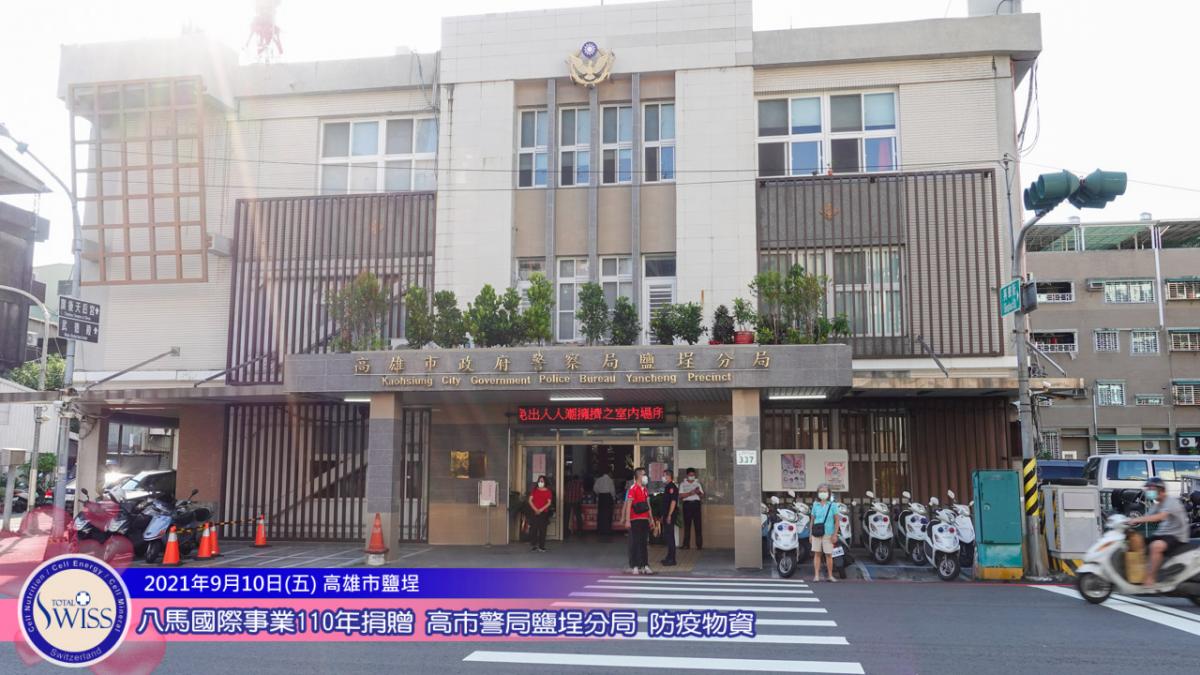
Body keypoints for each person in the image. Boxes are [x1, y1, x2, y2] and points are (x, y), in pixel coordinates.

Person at [1126, 476, 1190, 586]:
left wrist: (1137, 519)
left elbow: (1160, 517)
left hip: (1176, 535)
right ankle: (1138, 573)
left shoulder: (1171, 502)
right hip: (1164, 533)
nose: (1149, 492)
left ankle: (1150, 578)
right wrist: (1127, 521)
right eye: (1148, 489)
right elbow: (1147, 516)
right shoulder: (1158, 504)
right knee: (1137, 541)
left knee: (1156, 546)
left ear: (1160, 490)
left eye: (1151, 489)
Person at [623, 467, 653, 575]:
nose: (645, 477)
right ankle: (635, 566)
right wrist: (627, 520)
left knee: (644, 543)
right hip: (635, 519)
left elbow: (648, 506)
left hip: (644, 519)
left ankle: (645, 565)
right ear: (638, 476)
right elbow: (628, 505)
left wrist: (651, 519)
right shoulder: (633, 489)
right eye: (643, 474)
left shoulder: (645, 490)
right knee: (635, 542)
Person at [809, 483, 838, 582]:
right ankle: (816, 575)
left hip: (828, 533)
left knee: (828, 555)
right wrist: (810, 534)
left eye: (825, 491)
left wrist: (835, 534)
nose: (823, 493)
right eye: (821, 491)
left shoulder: (833, 505)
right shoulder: (815, 505)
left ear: (829, 493)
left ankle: (830, 576)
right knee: (817, 554)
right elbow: (812, 520)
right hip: (816, 533)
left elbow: (837, 521)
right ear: (818, 493)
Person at [679, 467, 704, 550]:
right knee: (687, 525)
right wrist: (690, 493)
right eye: (690, 475)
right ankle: (686, 545)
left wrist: (698, 492)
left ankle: (699, 545)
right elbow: (681, 496)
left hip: (696, 504)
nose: (692, 476)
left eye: (693, 475)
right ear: (687, 475)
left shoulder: (698, 484)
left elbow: (702, 495)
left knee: (698, 525)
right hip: (687, 505)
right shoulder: (683, 484)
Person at [527, 475, 553, 552]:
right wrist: (535, 509)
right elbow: (530, 500)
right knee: (534, 529)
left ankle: (541, 546)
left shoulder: (548, 491)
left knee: (542, 530)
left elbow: (549, 502)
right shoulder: (534, 490)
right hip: (534, 512)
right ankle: (534, 545)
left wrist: (541, 510)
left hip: (543, 513)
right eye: (539, 481)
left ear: (545, 482)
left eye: (542, 481)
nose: (540, 482)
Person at [660, 469, 679, 566]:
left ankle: (672, 559)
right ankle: (668, 557)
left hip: (670, 515)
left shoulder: (672, 487)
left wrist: (669, 515)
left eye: (664, 475)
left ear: (668, 476)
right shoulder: (667, 487)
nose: (663, 477)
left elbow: (673, 502)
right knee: (668, 536)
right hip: (666, 514)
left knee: (670, 536)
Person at [593, 467, 616, 536]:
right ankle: (607, 530)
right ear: (609, 473)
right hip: (608, 497)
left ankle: (600, 530)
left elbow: (595, 489)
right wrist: (614, 498)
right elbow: (612, 490)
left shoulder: (598, 479)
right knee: (608, 514)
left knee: (601, 514)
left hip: (601, 497)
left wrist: (599, 493)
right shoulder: (610, 480)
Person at [563, 474, 584, 540]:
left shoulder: (568, 483)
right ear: (578, 479)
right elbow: (582, 491)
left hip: (568, 501)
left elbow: (564, 492)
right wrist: (580, 498)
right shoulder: (580, 483)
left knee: (567, 517)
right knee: (578, 516)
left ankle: (565, 531)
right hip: (576, 501)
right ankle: (579, 531)